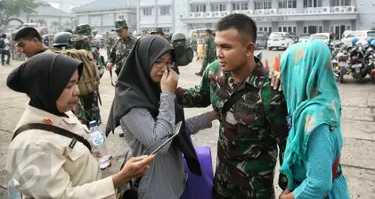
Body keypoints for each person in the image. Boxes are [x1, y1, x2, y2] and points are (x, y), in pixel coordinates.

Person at [6, 53, 156, 198]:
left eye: (76, 83)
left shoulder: (59, 112)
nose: (77, 91)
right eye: (69, 86)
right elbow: (62, 196)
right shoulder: (33, 144)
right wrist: (120, 178)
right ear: (46, 89)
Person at [176, 13, 289, 198]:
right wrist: (169, 93)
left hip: (255, 190)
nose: (219, 53)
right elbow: (201, 96)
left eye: (226, 47)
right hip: (222, 183)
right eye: (217, 46)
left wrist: (288, 187)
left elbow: (286, 144)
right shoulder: (213, 72)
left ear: (248, 49)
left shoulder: (271, 91)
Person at [106, 35, 219, 199]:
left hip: (175, 183)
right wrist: (168, 94)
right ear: (143, 61)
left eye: (168, 62)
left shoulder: (153, 91)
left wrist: (210, 116)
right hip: (155, 190)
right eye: (158, 61)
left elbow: (174, 132)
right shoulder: (130, 102)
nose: (164, 68)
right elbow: (161, 142)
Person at [278, 41, 350, 199]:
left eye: (286, 71)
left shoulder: (314, 117)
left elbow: (318, 185)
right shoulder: (327, 101)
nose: (284, 77)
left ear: (297, 73)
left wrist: (285, 198)